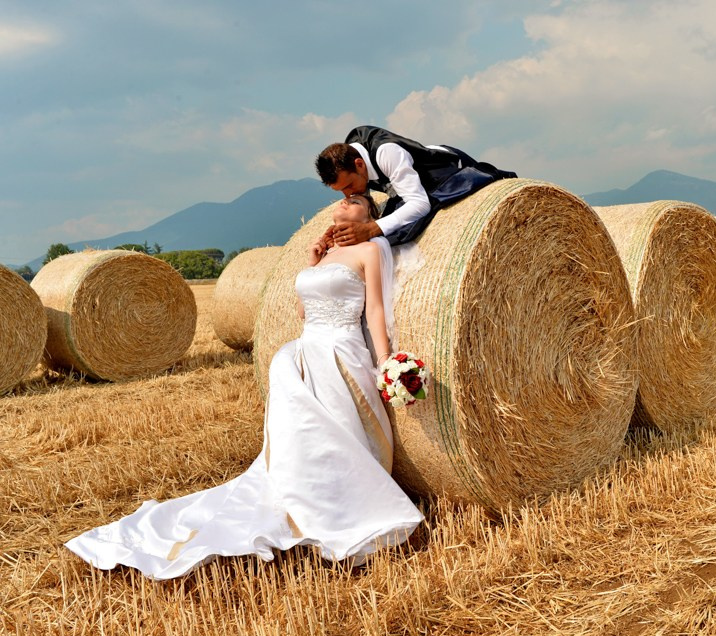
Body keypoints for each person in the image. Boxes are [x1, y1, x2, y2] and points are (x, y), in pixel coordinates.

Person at [65, 194, 423, 580]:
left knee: (339, 431)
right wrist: (313, 260)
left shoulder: (370, 250)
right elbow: (304, 310)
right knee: (304, 435)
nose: (342, 205)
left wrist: (386, 362)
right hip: (304, 350)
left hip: (340, 349)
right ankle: (307, 499)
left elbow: (374, 312)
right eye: (340, 202)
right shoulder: (325, 253)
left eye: (354, 202)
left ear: (369, 215)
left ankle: (342, 503)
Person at [315, 125, 516, 248]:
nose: (348, 194)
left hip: (444, 172)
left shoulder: (387, 153)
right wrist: (340, 233)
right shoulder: (348, 158)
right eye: (341, 190)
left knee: (396, 229)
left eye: (349, 186)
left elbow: (420, 204)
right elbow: (365, 211)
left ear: (360, 165)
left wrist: (370, 230)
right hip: (411, 184)